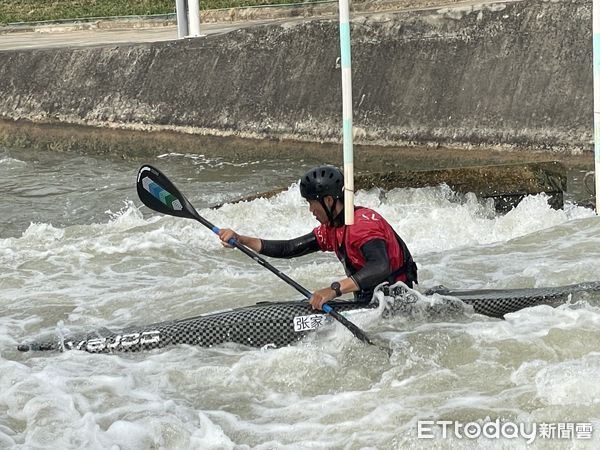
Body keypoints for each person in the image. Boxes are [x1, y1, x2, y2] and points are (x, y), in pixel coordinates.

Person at [218, 165, 417, 310]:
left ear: (329, 200)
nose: (311, 209)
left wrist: (333, 290)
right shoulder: (333, 228)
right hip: (372, 304)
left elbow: (380, 267)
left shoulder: (361, 225)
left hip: (396, 306)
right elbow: (290, 248)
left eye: (312, 203)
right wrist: (241, 239)